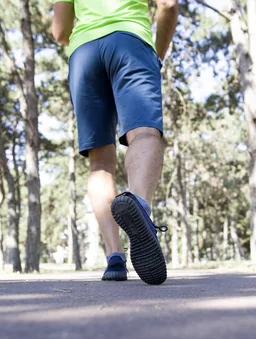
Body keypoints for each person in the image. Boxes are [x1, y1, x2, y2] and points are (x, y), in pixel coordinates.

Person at [52, 0, 178, 285]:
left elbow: (60, 31)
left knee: (100, 162)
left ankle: (115, 257)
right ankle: (140, 208)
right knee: (144, 134)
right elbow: (168, 5)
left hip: (84, 53)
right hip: (131, 42)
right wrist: (156, 54)